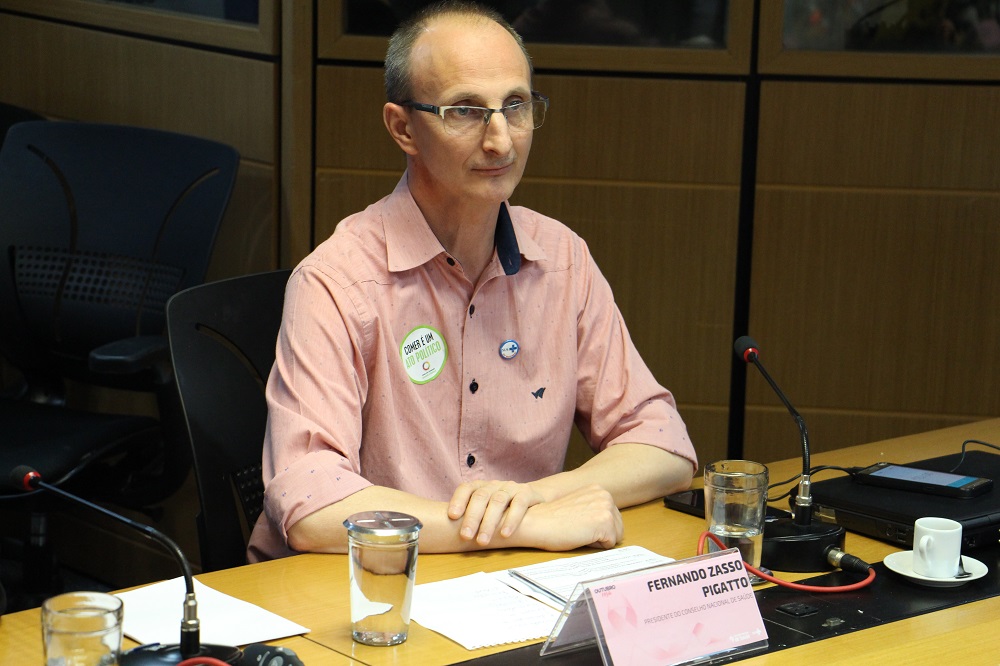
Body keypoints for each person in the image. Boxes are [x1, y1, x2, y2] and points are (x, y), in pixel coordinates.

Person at [247, 0, 697, 562]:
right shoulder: (336, 283)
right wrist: (516, 527)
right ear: (403, 128)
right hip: (373, 590)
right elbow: (310, 507)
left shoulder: (562, 260)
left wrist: (536, 500)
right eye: (465, 111)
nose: (501, 141)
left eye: (515, 106)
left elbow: (663, 443)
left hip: (511, 583)